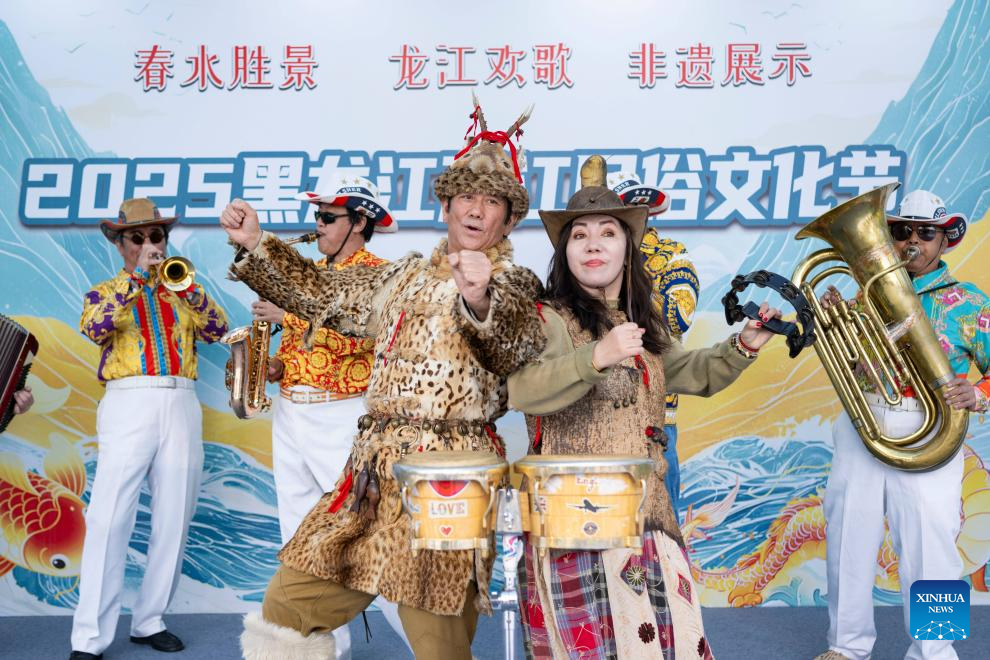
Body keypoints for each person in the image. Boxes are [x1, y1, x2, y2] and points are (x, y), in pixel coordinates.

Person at [220, 102, 546, 660]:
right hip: (371, 470)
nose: (476, 210)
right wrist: (256, 244)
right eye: (466, 196)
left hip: (448, 477)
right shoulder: (403, 276)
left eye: (493, 202)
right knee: (289, 605)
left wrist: (479, 296)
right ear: (446, 205)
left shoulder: (514, 283)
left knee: (438, 638)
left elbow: (514, 347)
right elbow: (323, 296)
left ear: (509, 221)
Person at [508, 156, 780, 658]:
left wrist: (743, 345)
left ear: (627, 248)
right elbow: (522, 390)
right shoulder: (546, 318)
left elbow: (692, 372)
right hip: (576, 524)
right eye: (579, 235)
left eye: (607, 233)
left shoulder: (642, 322)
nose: (593, 244)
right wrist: (596, 356)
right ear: (564, 252)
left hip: (650, 519)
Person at [815, 190, 990, 660]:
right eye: (902, 231)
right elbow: (852, 364)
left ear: (945, 240)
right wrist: (836, 323)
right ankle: (845, 647)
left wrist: (979, 394)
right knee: (848, 536)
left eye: (926, 233)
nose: (913, 241)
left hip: (933, 427)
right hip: (866, 419)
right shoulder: (865, 295)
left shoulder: (971, 303)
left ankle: (936, 651)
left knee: (934, 547)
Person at [250, 175, 406, 659]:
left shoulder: (380, 275)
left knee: (368, 537)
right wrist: (274, 366)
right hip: (291, 412)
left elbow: (362, 335)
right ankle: (325, 652)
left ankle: (434, 648)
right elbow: (302, 349)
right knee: (300, 539)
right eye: (316, 216)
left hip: (343, 417)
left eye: (327, 217)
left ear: (359, 222)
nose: (316, 225)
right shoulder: (310, 274)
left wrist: (288, 316)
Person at [70, 198, 228, 660]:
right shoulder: (104, 291)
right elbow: (95, 328)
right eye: (136, 238)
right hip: (129, 400)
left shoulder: (183, 287)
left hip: (181, 400)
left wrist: (188, 289)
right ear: (120, 244)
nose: (148, 244)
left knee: (174, 517)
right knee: (108, 519)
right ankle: (89, 638)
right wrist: (139, 277)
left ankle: (149, 620)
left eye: (155, 236)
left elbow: (217, 330)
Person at [608, 171, 700, 519]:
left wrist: (630, 277)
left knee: (663, 526)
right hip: (594, 411)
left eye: (640, 208)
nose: (637, 216)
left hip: (655, 413)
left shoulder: (671, 255)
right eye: (626, 209)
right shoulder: (585, 255)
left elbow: (678, 318)